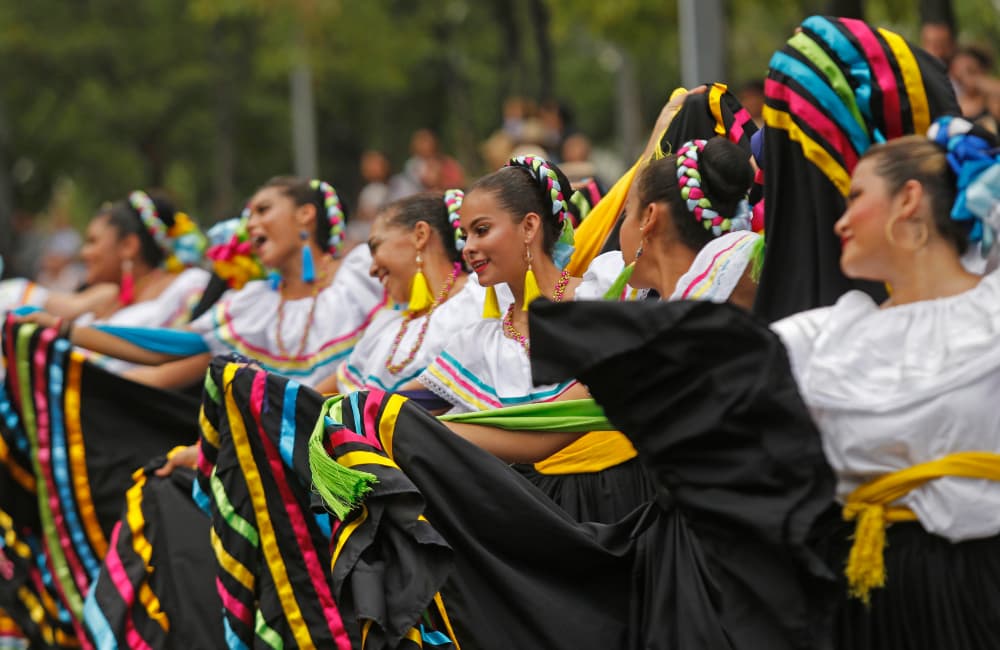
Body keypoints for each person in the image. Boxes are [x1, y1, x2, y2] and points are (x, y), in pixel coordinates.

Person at [772, 117, 1000, 649]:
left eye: (856, 198)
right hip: (867, 598)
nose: (841, 222)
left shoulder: (993, 316)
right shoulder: (824, 338)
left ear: (909, 199)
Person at [35, 177, 384, 391]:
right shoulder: (253, 303)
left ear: (305, 214)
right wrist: (63, 330)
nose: (251, 224)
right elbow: (173, 346)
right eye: (248, 216)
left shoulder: (362, 274)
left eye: (263, 210)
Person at [317, 190, 483, 395]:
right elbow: (322, 398)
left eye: (376, 246)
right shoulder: (386, 327)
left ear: (420, 235)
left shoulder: (479, 298)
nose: (371, 269)